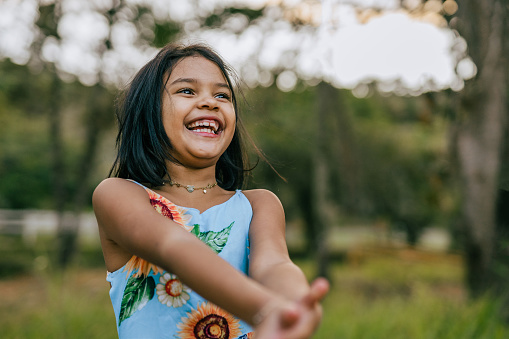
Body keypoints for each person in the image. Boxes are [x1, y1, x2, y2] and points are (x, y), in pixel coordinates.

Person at [92, 42, 329, 339]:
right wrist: (266, 308)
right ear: (149, 111)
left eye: (222, 95)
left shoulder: (260, 205)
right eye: (187, 91)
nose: (210, 102)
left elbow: (273, 264)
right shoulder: (119, 195)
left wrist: (295, 302)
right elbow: (172, 246)